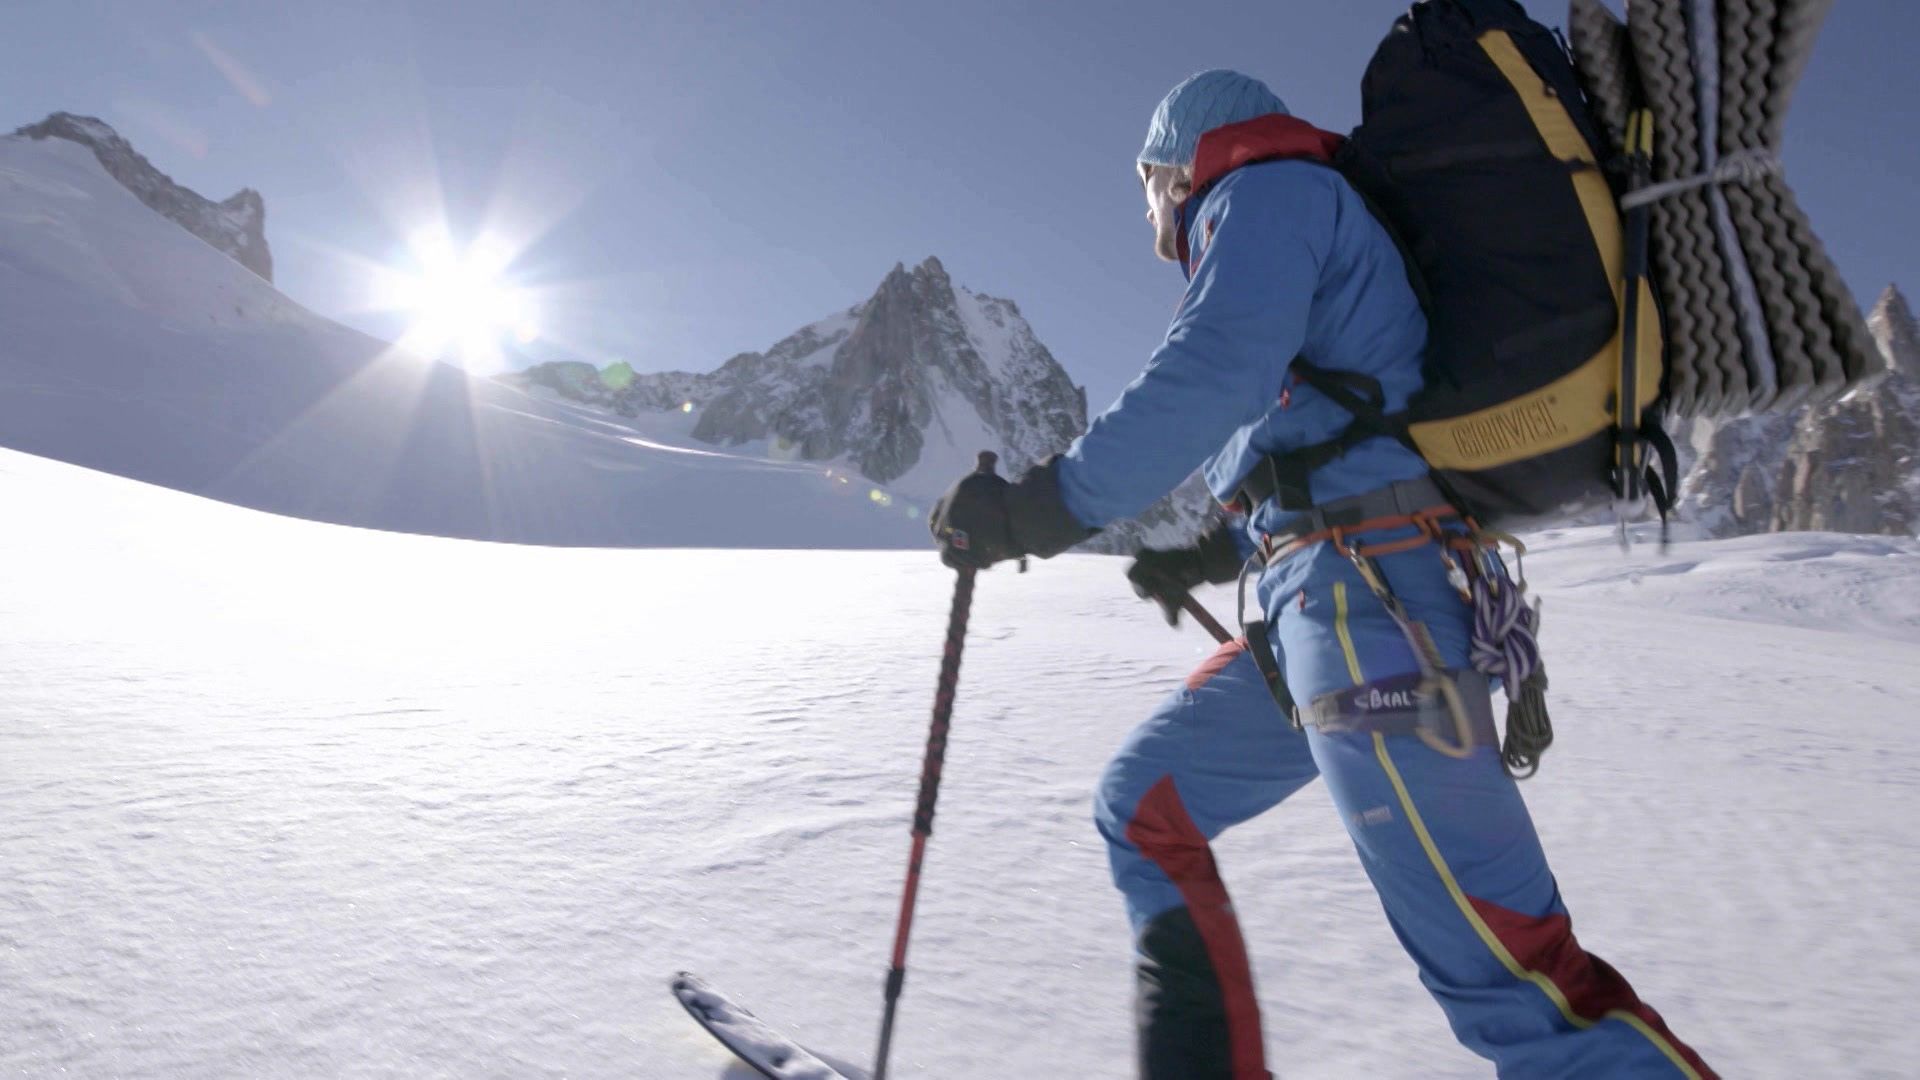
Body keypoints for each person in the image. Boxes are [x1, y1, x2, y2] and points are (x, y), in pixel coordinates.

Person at [929, 70, 1716, 1080]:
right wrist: (1211, 553)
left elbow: (1217, 368)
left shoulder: (1266, 193)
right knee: (1145, 806)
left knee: (1512, 977)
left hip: (1370, 608)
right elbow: (1311, 431)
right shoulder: (1293, 216)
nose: (1152, 211)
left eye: (1148, 182)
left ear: (1182, 159)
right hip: (1321, 604)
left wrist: (1040, 505)